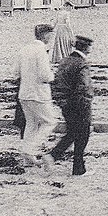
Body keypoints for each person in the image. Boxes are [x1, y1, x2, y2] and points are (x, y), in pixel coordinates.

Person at [47, 35, 95, 176]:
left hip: (65, 103)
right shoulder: (82, 64)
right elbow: (84, 87)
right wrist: (86, 104)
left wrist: (61, 100)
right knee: (82, 134)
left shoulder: (65, 61)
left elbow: (56, 82)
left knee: (73, 133)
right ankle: (74, 167)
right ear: (86, 48)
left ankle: (57, 157)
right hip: (79, 104)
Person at [14, 24, 58, 168]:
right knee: (50, 122)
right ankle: (29, 149)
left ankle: (27, 158)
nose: (51, 39)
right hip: (39, 94)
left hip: (24, 93)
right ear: (45, 35)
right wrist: (54, 76)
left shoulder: (24, 49)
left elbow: (15, 73)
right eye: (51, 35)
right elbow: (45, 76)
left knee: (31, 124)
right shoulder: (41, 51)